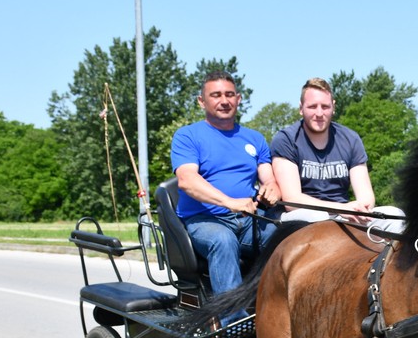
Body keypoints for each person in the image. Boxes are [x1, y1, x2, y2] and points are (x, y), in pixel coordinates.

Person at [170, 70, 280, 296]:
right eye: (216, 95)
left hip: (248, 221)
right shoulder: (187, 136)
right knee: (223, 240)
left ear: (238, 99)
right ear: (202, 101)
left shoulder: (255, 138)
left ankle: (276, 304)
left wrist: (272, 190)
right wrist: (229, 202)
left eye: (229, 95)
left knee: (283, 236)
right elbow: (187, 180)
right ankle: (231, 315)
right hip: (205, 220)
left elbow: (269, 178)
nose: (224, 101)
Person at [270, 77, 404, 233]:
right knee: (318, 216)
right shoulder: (286, 139)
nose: (319, 113)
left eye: (325, 106)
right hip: (301, 215)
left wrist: (359, 210)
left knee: (396, 216)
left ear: (333, 107)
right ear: (301, 108)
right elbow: (292, 201)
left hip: (343, 215)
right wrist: (341, 209)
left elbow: (366, 196)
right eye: (312, 106)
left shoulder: (350, 139)